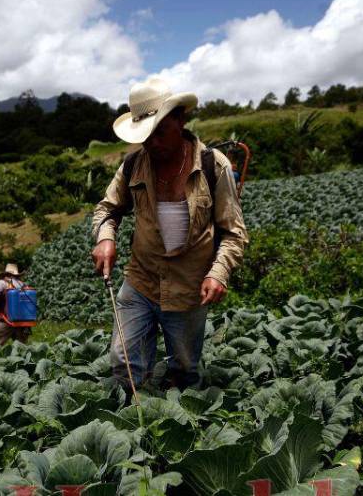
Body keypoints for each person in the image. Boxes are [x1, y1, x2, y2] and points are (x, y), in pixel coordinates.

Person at [91, 77, 248, 393]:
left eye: (160, 132)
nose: (152, 143)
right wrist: (105, 238)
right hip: (141, 280)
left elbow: (233, 233)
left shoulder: (212, 166)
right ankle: (134, 412)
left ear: (180, 119)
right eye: (145, 136)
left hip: (188, 287)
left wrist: (217, 274)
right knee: (124, 362)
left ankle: (185, 414)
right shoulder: (133, 164)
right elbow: (107, 208)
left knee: (186, 370)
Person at [0, 263, 32, 346]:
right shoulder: (22, 284)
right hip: (23, 322)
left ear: (6, 274)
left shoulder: (2, 283)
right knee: (22, 348)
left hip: (7, 320)